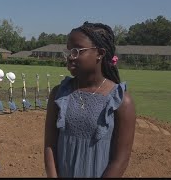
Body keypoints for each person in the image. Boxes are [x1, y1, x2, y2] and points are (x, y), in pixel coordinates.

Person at [44, 22, 136, 178]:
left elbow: (120, 160)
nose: (70, 57)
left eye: (76, 50)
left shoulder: (121, 101)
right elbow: (50, 146)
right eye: (68, 51)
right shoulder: (59, 94)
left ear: (99, 53)